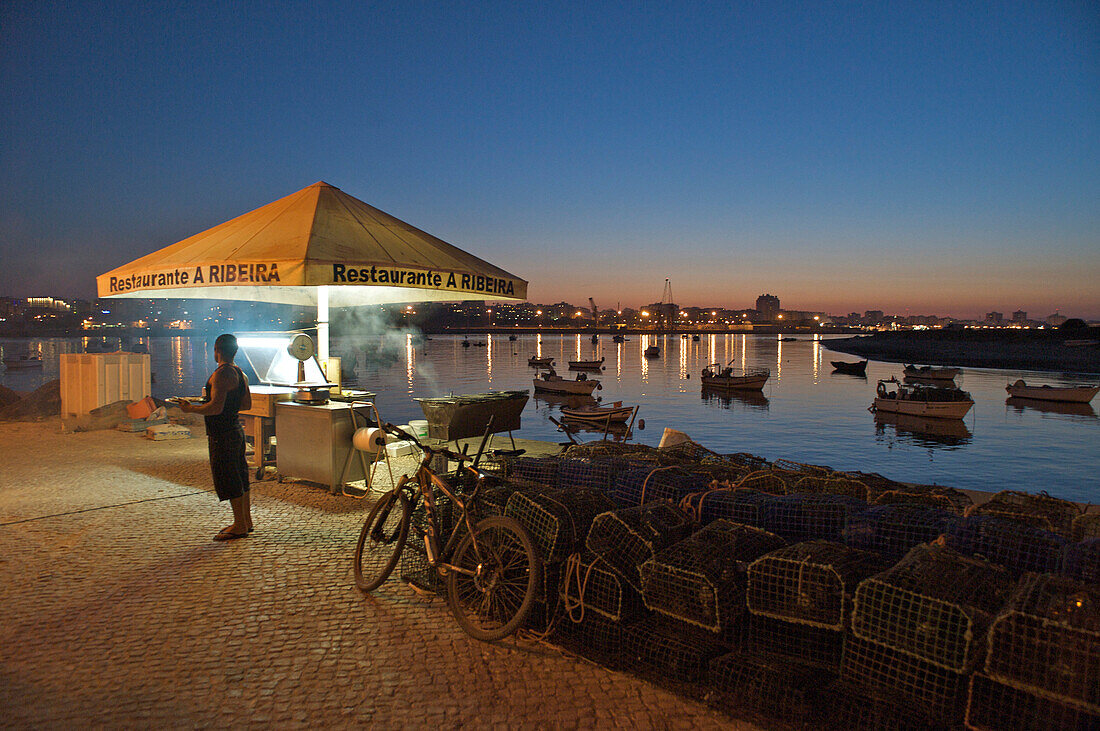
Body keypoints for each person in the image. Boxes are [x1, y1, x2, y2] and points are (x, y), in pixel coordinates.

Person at [178, 333, 253, 541]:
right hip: (236, 430)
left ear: (216, 350)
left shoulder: (221, 374)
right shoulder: (241, 373)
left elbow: (216, 407)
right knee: (241, 476)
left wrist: (191, 408)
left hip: (222, 433)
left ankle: (239, 526)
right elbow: (246, 405)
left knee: (229, 477)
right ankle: (246, 521)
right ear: (235, 351)